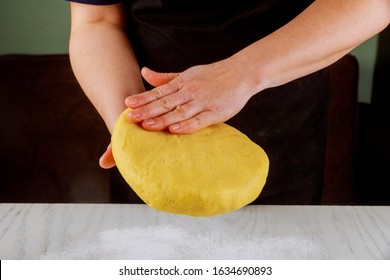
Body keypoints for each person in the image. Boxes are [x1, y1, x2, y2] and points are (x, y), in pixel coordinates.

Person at [66, 0, 390, 204]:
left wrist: (242, 73)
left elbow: (371, 4)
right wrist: (129, 124)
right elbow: (97, 21)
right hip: (155, 131)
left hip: (285, 125)